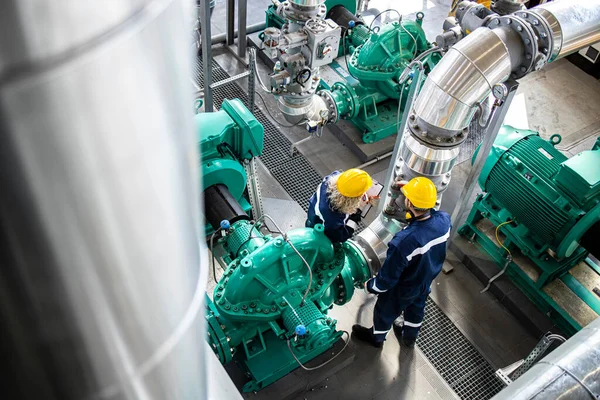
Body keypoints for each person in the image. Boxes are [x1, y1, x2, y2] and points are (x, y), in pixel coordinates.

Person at [352, 177, 451, 348]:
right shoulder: (444, 220)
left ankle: (377, 338)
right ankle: (409, 336)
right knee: (416, 308)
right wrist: (412, 192)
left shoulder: (404, 242)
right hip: (424, 280)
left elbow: (386, 281)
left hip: (402, 287)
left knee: (386, 311)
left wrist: (370, 285)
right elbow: (427, 221)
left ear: (409, 203)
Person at [306, 168, 374, 243]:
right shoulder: (334, 219)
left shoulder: (331, 177)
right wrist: (358, 211)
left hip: (312, 215)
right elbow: (342, 236)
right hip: (323, 232)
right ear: (351, 200)